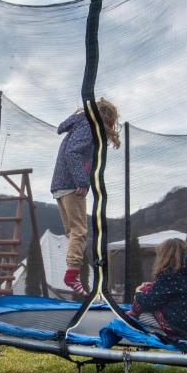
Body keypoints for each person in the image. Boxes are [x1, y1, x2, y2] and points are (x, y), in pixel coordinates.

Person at [50, 98, 120, 296]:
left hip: (59, 185)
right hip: (72, 185)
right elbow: (73, 152)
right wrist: (82, 180)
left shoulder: (79, 122)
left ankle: (72, 269)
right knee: (80, 231)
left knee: (72, 232)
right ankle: (72, 273)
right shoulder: (89, 126)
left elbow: (63, 133)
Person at [130, 237, 187, 338]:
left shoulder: (169, 275)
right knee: (150, 288)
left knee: (141, 315)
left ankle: (163, 333)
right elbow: (175, 291)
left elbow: (149, 303)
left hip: (180, 325)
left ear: (165, 255)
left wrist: (138, 293)